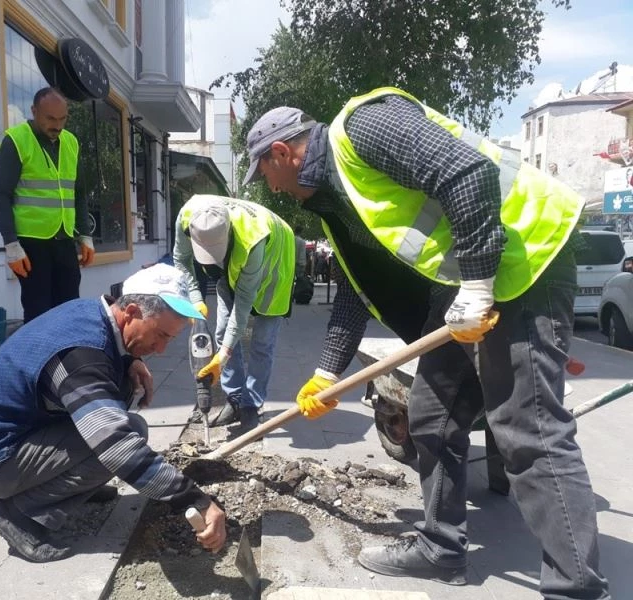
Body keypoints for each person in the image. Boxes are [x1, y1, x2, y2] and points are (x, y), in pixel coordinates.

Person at [243, 89, 609, 598]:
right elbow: (356, 285)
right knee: (431, 416)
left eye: (264, 174)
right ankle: (441, 549)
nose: (271, 187)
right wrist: (328, 374)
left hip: (525, 264)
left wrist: (478, 285)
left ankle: (576, 588)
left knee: (528, 430)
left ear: (281, 154)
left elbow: (467, 172)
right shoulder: (336, 200)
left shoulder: (363, 126)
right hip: (464, 290)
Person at [0, 263, 227, 563]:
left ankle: (70, 485)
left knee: (125, 420)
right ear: (131, 311)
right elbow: (117, 446)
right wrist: (196, 501)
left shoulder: (94, 314)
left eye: (168, 340)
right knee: (119, 442)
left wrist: (127, 360)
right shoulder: (80, 353)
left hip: (12, 436)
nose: (160, 350)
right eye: (160, 335)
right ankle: (18, 515)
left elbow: (101, 357)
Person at [173, 194, 295, 433]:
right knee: (221, 331)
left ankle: (251, 404)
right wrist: (196, 300)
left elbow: (242, 306)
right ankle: (235, 398)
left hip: (276, 258)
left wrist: (223, 355)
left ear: (228, 234)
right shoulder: (187, 217)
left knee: (262, 341)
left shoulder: (252, 241)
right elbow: (181, 259)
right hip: (235, 260)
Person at [0, 87, 95, 324]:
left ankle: (67, 360)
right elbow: (0, 195)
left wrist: (85, 236)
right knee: (39, 314)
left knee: (70, 309)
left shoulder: (71, 142)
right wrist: (11, 245)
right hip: (31, 245)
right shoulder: (16, 141)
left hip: (64, 240)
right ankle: (40, 360)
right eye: (50, 118)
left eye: (62, 119)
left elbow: (78, 193)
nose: (57, 125)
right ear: (34, 111)